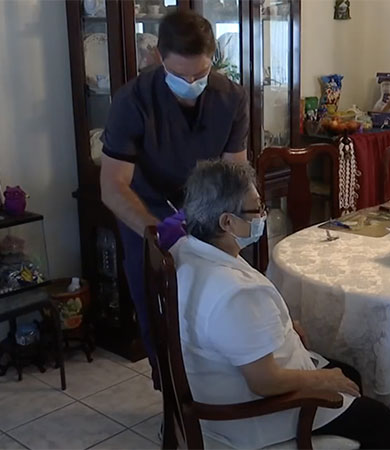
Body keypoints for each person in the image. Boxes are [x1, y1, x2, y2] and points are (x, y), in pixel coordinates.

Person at [170, 160, 390, 449]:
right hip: (250, 416)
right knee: (380, 421)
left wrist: (284, 328)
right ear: (226, 222)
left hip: (216, 379)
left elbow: (237, 329)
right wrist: (319, 382)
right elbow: (264, 382)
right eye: (256, 209)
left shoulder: (185, 250)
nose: (262, 216)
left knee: (349, 374)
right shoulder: (234, 292)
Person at [99, 10, 248, 384]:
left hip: (206, 212)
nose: (191, 82)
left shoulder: (231, 97)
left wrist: (244, 220)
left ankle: (218, 400)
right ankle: (173, 404)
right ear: (159, 58)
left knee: (218, 303)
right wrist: (159, 233)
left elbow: (235, 174)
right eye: (180, 75)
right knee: (159, 313)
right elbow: (112, 185)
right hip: (143, 211)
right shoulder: (132, 100)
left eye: (200, 74)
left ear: (212, 59)